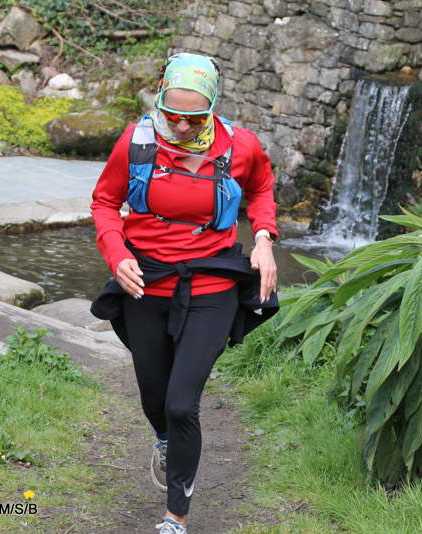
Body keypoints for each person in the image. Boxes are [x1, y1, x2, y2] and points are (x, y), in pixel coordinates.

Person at [90, 53, 279, 533]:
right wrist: (117, 254)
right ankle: (162, 438)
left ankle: (175, 516)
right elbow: (105, 202)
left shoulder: (240, 146)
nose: (181, 126)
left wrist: (263, 238)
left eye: (194, 118)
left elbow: (261, 190)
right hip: (147, 279)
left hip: (212, 281)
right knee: (156, 400)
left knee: (181, 403)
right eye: (171, 114)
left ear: (213, 107)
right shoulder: (136, 143)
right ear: (159, 100)